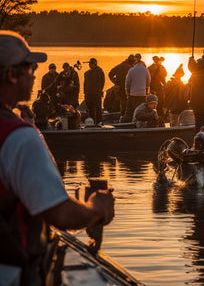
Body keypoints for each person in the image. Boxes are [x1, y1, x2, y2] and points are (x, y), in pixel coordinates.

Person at [0, 30, 114, 286]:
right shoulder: (19, 138)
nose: (35, 74)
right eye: (30, 67)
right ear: (10, 74)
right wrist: (97, 208)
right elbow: (62, 215)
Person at [123, 54, 151, 123]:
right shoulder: (145, 70)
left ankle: (129, 124)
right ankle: (141, 123)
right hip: (142, 94)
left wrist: (127, 91)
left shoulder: (131, 70)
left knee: (129, 111)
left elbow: (127, 82)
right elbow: (149, 81)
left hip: (133, 94)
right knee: (142, 110)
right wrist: (145, 87)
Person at [83, 57, 105, 124]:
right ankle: (93, 122)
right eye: (89, 64)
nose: (89, 65)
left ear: (94, 64)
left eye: (90, 64)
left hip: (95, 94)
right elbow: (85, 84)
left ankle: (99, 122)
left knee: (97, 109)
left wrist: (99, 90)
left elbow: (102, 82)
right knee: (91, 109)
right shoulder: (88, 73)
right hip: (89, 94)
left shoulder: (99, 71)